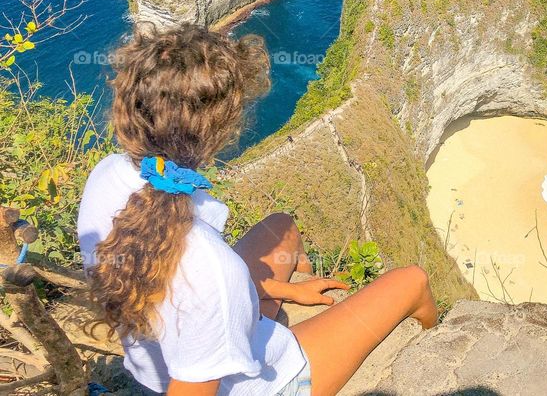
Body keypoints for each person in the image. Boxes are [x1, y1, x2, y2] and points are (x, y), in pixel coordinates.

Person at [77, 25, 438, 396]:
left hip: (168, 353)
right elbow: (205, 289)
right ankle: (432, 347)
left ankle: (272, 300)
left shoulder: (106, 174)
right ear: (225, 128)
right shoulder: (213, 270)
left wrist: (277, 290)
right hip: (255, 384)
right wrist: (235, 295)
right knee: (412, 281)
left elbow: (181, 290)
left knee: (282, 226)